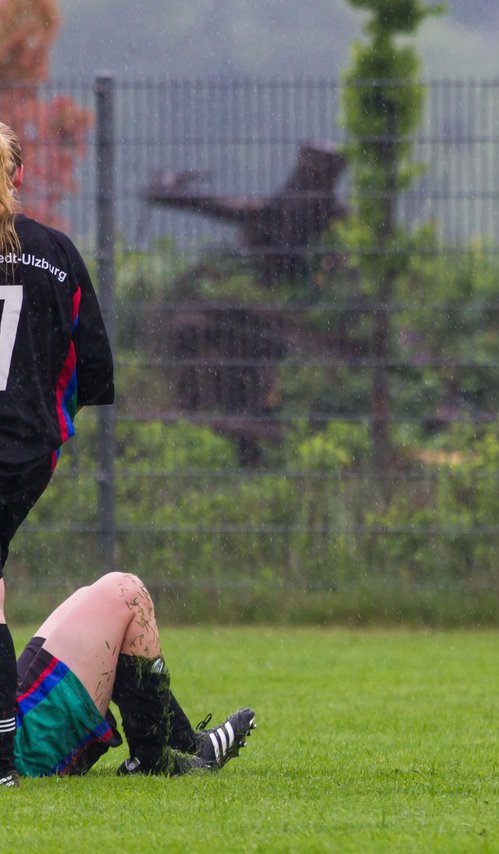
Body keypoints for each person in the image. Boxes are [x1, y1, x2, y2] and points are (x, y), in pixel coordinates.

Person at [0, 122, 115, 785]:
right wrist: (50, 425)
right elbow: (92, 369)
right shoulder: (57, 252)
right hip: (25, 452)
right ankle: (166, 741)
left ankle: (4, 764)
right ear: (19, 176)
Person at [3, 571, 255, 786]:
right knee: (126, 592)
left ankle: (184, 741)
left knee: (87, 597)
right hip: (18, 746)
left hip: (15, 720)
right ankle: (152, 757)